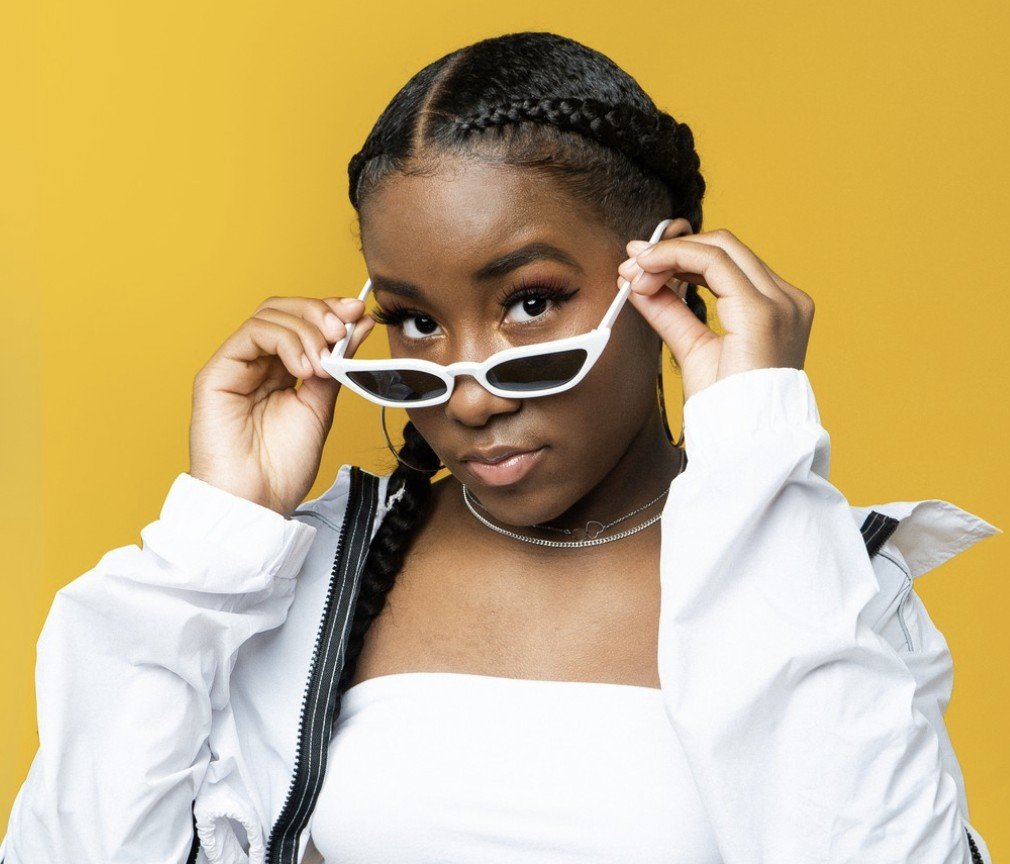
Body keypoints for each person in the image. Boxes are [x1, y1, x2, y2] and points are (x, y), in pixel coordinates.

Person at [1, 30, 1000, 864]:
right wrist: (215, 537)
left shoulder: (810, 575)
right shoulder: (314, 578)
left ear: (662, 274)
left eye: (528, 302)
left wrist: (752, 452)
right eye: (415, 323)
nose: (470, 395)